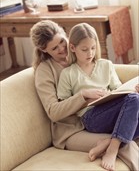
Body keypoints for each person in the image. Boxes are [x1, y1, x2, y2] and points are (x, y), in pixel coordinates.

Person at [30, 20, 139, 171]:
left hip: (101, 113)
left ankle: (110, 142)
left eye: (63, 41)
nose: (63, 48)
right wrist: (83, 96)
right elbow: (53, 112)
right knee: (124, 144)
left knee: (127, 124)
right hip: (72, 129)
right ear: (44, 50)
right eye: (55, 48)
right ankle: (113, 147)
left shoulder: (86, 56)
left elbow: (113, 83)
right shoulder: (45, 71)